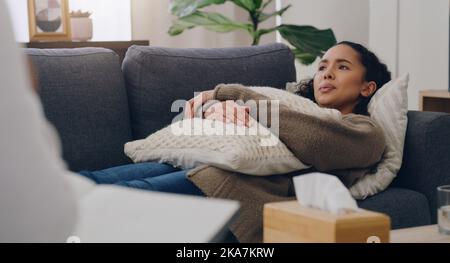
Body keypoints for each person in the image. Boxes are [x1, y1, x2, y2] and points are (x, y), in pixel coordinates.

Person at [78, 41, 391, 242]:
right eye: (322, 66)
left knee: (112, 200)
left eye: (343, 67)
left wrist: (234, 96)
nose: (327, 73)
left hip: (225, 189)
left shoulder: (365, 131)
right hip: (197, 162)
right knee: (90, 182)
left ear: (367, 88)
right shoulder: (291, 104)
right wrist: (215, 105)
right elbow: (208, 113)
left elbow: (316, 140)